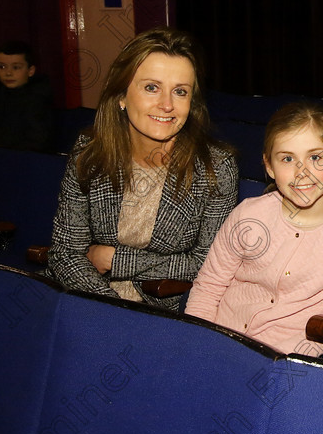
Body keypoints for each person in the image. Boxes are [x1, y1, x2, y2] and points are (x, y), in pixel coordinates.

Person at [46, 27, 239, 312]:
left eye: (180, 92)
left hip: (159, 309)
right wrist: (111, 308)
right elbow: (65, 253)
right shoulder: (90, 151)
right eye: (151, 87)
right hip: (86, 295)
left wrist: (116, 260)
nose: (167, 104)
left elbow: (206, 265)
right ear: (122, 96)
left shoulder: (215, 166)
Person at [185, 102, 323, 356]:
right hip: (219, 338)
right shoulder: (249, 214)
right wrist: (195, 341)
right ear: (269, 166)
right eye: (288, 159)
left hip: (283, 356)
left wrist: (290, 361)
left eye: (316, 157)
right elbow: (209, 286)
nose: (302, 172)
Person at [0, 40, 54, 151]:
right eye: (2, 67)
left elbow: (37, 141)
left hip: (24, 160)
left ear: (30, 70)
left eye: (16, 67)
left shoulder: (37, 99)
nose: (8, 73)